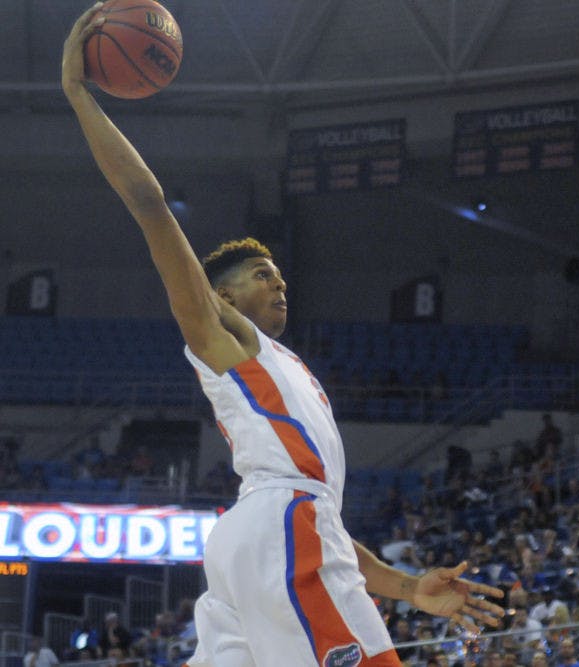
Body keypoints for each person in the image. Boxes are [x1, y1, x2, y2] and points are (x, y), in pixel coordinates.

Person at [61, 6, 505, 667]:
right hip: (278, 531)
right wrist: (76, 93)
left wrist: (410, 587)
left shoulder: (289, 371)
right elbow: (150, 204)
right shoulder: (221, 336)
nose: (281, 284)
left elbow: (321, 519)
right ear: (224, 295)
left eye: (279, 276)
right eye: (263, 275)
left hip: (269, 535)